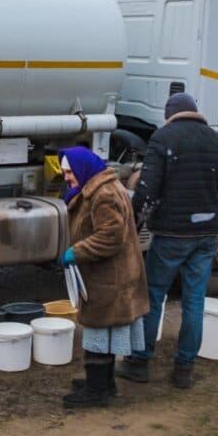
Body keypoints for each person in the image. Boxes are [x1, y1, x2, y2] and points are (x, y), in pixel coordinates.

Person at [119, 92, 218, 389]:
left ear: (169, 115)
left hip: (171, 234)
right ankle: (184, 369)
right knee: (194, 300)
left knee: (153, 296)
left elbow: (147, 190)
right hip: (207, 235)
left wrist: (131, 228)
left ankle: (139, 362)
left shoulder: (163, 138)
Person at [57, 147, 149, 408]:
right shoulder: (97, 187)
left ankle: (96, 391)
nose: (66, 177)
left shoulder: (104, 194)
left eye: (69, 172)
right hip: (111, 275)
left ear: (83, 168)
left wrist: (76, 252)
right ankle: (104, 384)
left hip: (110, 278)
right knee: (104, 331)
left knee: (98, 330)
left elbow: (110, 237)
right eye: (64, 172)